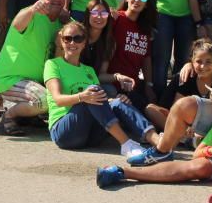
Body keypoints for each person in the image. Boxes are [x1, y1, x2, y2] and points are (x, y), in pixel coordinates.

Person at [44, 20, 159, 154]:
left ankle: (157, 141)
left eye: (78, 38)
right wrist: (83, 96)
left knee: (117, 102)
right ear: (61, 41)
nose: (72, 43)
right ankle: (126, 144)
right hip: (65, 133)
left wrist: (115, 100)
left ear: (84, 42)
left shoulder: (89, 70)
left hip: (90, 135)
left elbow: (100, 101)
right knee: (94, 92)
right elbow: (58, 99)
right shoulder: (53, 64)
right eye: (67, 39)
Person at [0, 0, 68, 136]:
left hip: (34, 81)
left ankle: (30, 115)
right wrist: (33, 9)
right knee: (45, 100)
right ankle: (9, 115)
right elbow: (17, 24)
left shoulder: (62, 22)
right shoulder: (30, 13)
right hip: (9, 79)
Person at [103, 0, 159, 126]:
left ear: (147, 4)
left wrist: (149, 84)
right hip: (113, 83)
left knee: (151, 109)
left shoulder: (145, 29)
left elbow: (146, 59)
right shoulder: (116, 18)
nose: (137, 0)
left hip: (133, 85)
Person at [80, 0, 114, 73]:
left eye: (104, 14)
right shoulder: (77, 34)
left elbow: (101, 75)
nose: (99, 17)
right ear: (88, 14)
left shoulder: (110, 42)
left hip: (94, 81)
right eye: (94, 13)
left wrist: (117, 76)